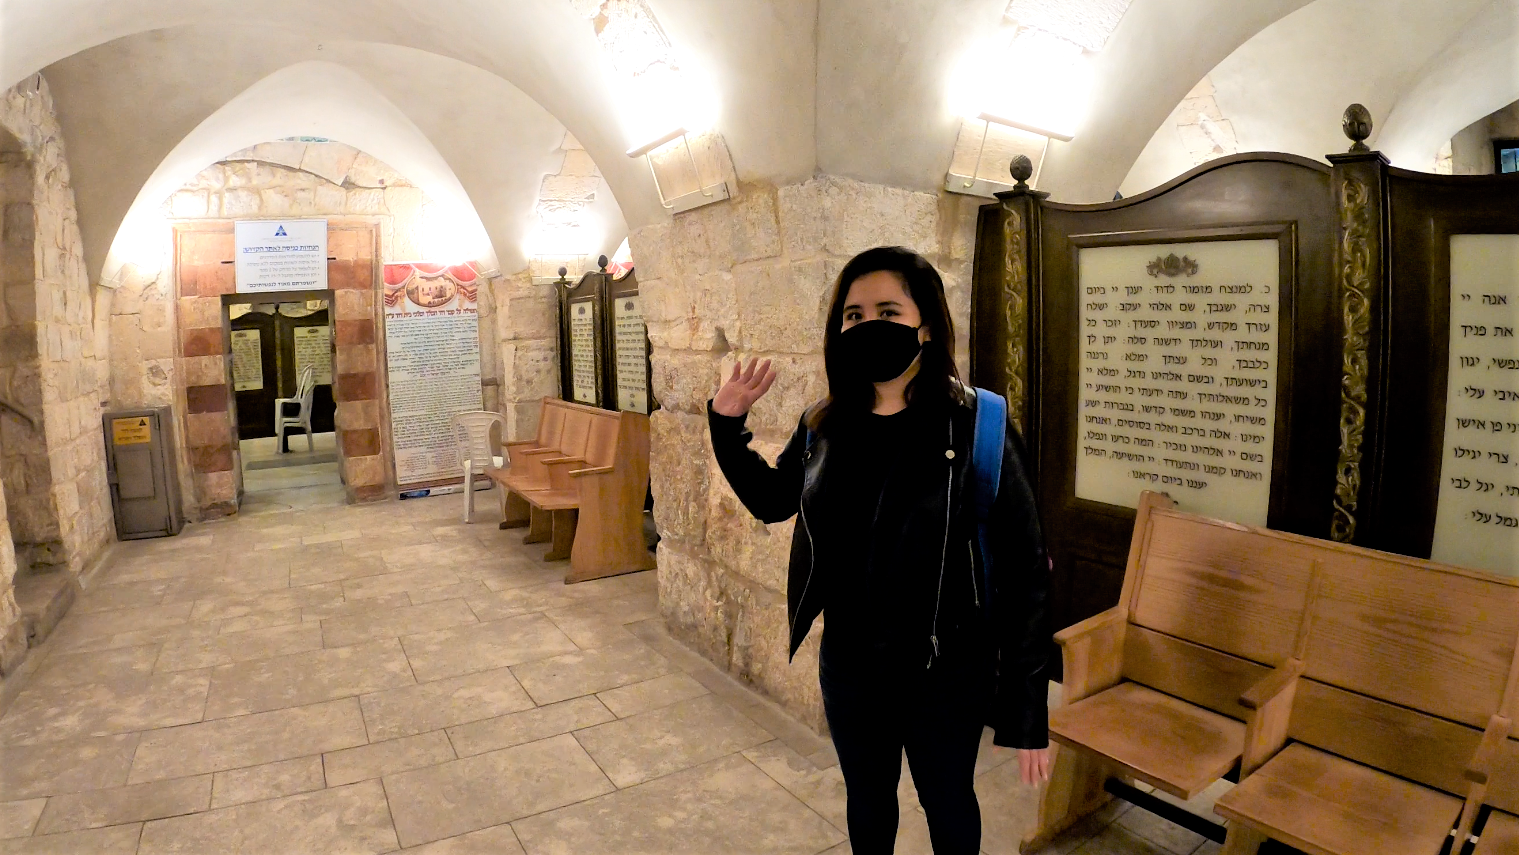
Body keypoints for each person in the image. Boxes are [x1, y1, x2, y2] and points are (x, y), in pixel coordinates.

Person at [706, 246, 1052, 854]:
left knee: (948, 802)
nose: (869, 326)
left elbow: (1027, 570)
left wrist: (1026, 706)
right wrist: (726, 427)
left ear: (926, 325)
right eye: (854, 315)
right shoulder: (824, 424)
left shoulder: (980, 424)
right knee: (867, 801)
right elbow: (774, 500)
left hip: (946, 668)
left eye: (888, 312)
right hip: (851, 664)